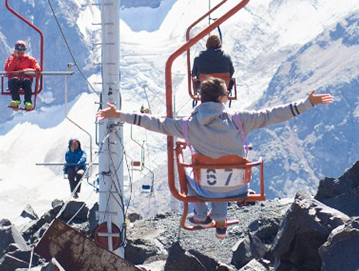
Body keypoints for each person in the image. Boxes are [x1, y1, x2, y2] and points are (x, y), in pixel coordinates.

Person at [98, 79, 333, 238]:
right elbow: (272, 115)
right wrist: (306, 103)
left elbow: (155, 123)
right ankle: (220, 221)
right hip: (239, 187)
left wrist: (118, 114)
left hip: (208, 188)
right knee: (223, 168)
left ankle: (201, 216)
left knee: (191, 172)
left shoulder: (188, 124)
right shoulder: (240, 119)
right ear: (221, 98)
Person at [4, 39, 41, 111]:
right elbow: (8, 70)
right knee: (15, 80)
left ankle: (28, 102)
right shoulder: (11, 59)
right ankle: (16, 100)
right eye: (18, 49)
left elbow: (37, 69)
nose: (20, 51)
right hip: (14, 81)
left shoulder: (30, 59)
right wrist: (15, 58)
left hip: (24, 80)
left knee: (27, 81)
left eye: (22, 49)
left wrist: (24, 71)